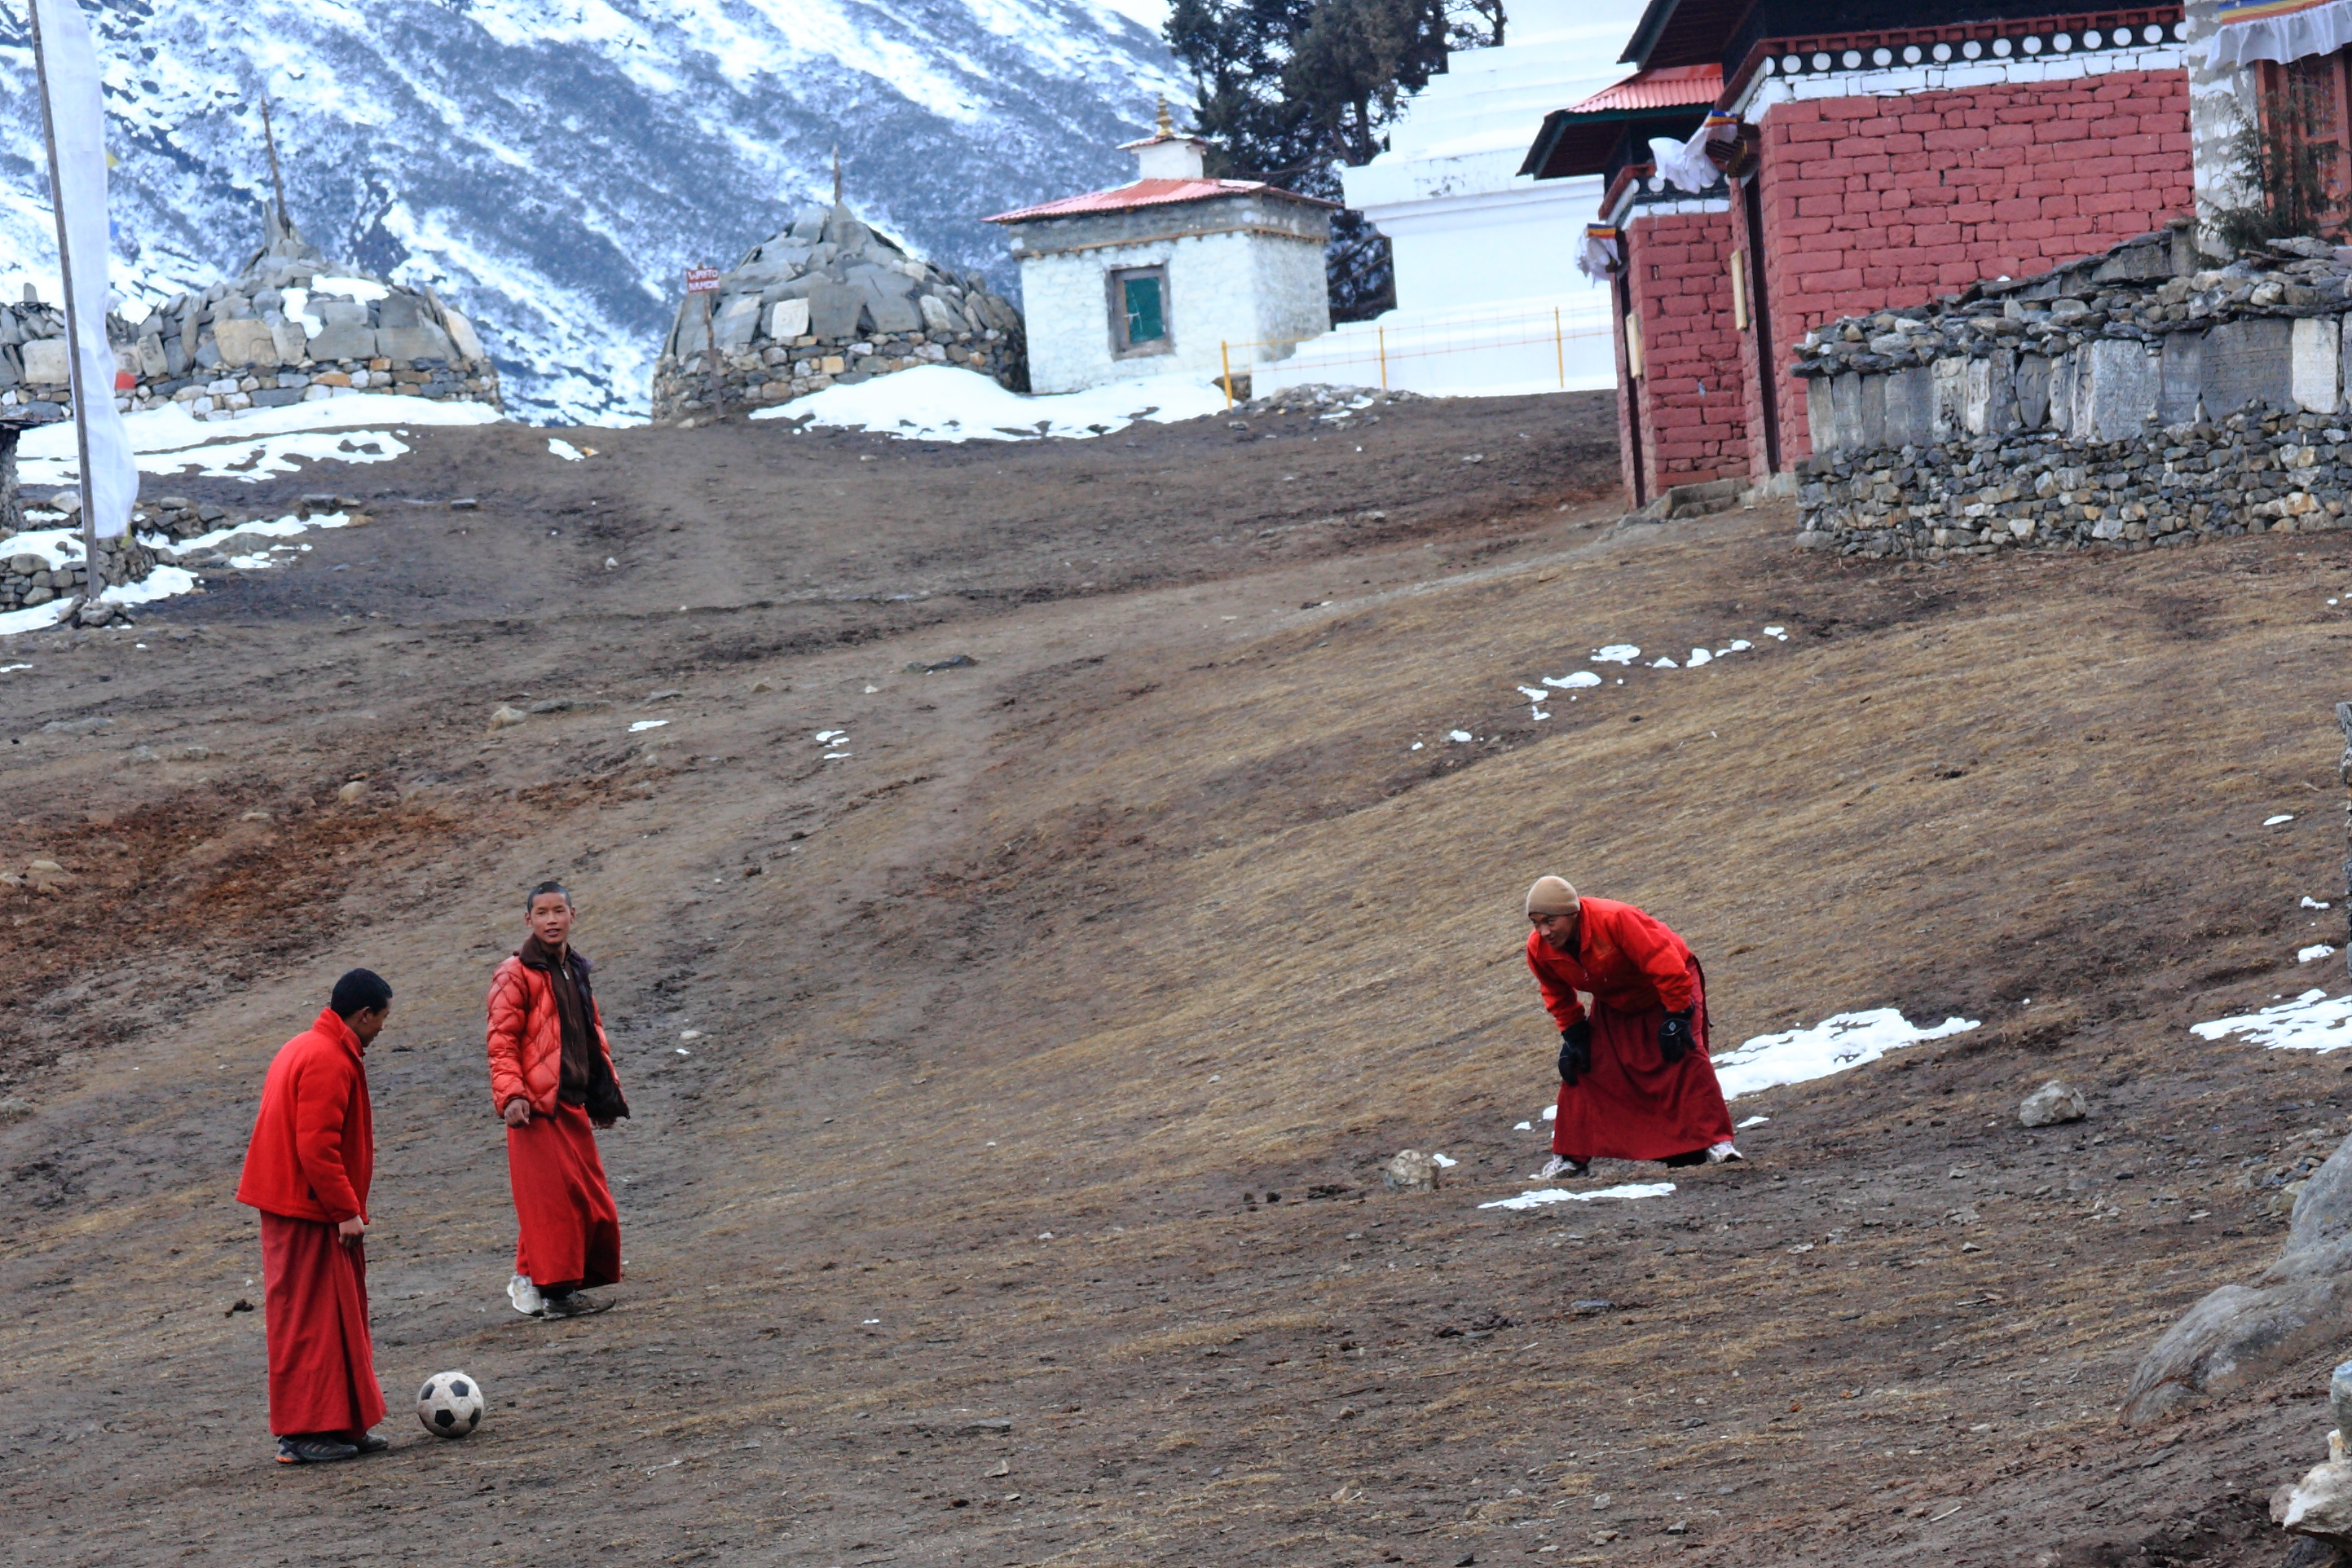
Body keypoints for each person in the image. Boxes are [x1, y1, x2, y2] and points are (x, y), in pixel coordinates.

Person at [235, 968, 394, 1464]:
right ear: (363, 1015)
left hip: (301, 1205)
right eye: (382, 1018)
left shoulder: (307, 1045)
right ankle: (302, 1433)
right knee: (307, 1320)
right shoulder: (328, 1058)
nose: (384, 1028)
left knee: (334, 1316)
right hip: (306, 1210)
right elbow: (317, 1145)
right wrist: (346, 1209)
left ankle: (341, 1424)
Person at [1522, 876, 1741, 1178]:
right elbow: (1555, 992)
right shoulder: (1539, 949)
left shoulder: (1614, 920)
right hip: (1614, 998)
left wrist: (1677, 1014)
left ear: (1572, 915)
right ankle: (1571, 1158)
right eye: (1536, 923)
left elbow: (1663, 960)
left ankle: (1717, 1142)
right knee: (1582, 1066)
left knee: (1685, 1054)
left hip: (1668, 985)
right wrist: (1573, 1031)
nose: (1543, 931)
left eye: (1550, 921)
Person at [487, 881, 628, 1319]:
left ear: (573, 915)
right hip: (535, 1108)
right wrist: (511, 1095)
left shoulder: (576, 969)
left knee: (586, 1200)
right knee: (553, 1205)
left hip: (569, 1103)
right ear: (528, 920)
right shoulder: (514, 973)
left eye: (559, 911)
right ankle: (556, 1294)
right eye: (542, 913)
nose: (552, 920)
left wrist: (603, 1098)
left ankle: (533, 1283)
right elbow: (501, 1041)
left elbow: (591, 1036)